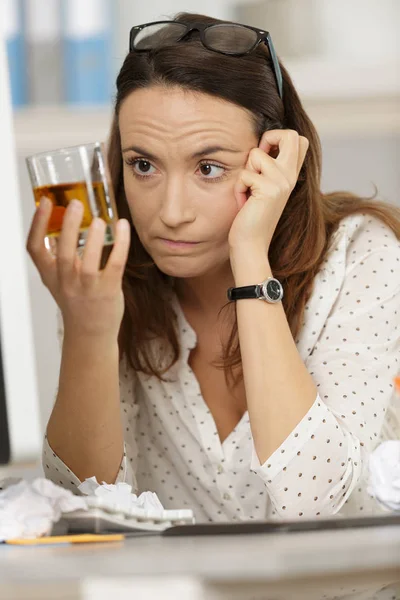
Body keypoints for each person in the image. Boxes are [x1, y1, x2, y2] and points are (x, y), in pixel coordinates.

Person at [28, 13, 400, 524]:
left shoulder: (360, 255)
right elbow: (87, 512)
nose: (171, 210)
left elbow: (312, 501)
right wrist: (88, 327)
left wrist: (251, 255)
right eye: (144, 164)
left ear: (274, 159)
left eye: (208, 168)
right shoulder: (109, 280)